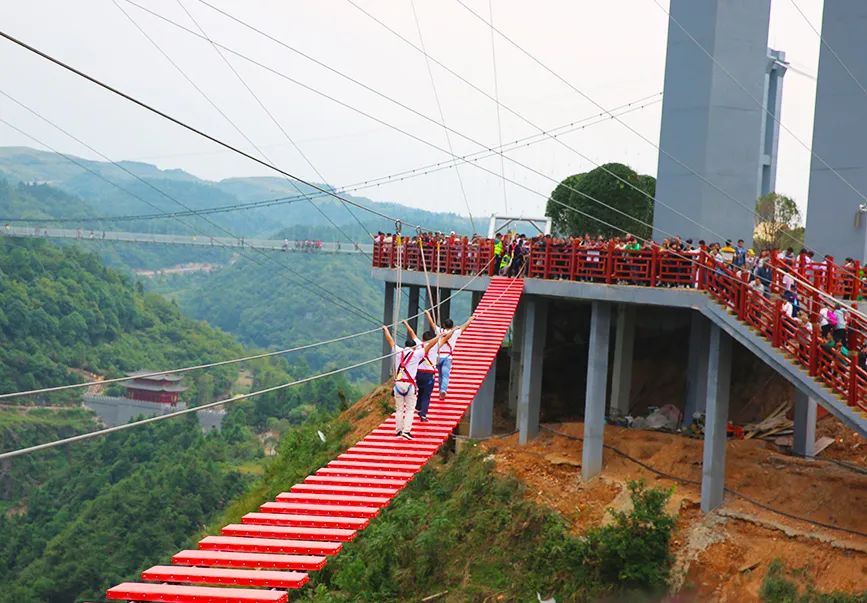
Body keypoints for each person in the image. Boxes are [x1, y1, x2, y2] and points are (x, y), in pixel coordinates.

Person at [381, 322, 444, 439]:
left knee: (399, 409)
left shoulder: (398, 351)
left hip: (398, 384)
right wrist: (438, 337)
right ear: (414, 347)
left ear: (405, 346)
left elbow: (390, 340)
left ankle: (398, 431)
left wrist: (385, 330)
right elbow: (429, 346)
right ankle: (406, 431)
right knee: (410, 409)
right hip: (410, 385)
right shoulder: (417, 354)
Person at [425, 309, 475, 400]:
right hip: (448, 357)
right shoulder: (455, 332)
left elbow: (432, 324)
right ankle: (443, 390)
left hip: (438, 356)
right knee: (445, 375)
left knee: (439, 375)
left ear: (444, 325)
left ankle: (440, 390)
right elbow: (465, 326)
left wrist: (428, 314)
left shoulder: (440, 331)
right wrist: (470, 319)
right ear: (452, 326)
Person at [402, 321, 438, 423]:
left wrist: (406, 324)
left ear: (422, 338)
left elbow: (411, 333)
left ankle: (418, 406)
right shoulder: (435, 345)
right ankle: (423, 414)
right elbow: (445, 338)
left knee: (420, 391)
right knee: (427, 394)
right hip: (429, 373)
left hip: (418, 373)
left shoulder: (418, 344)